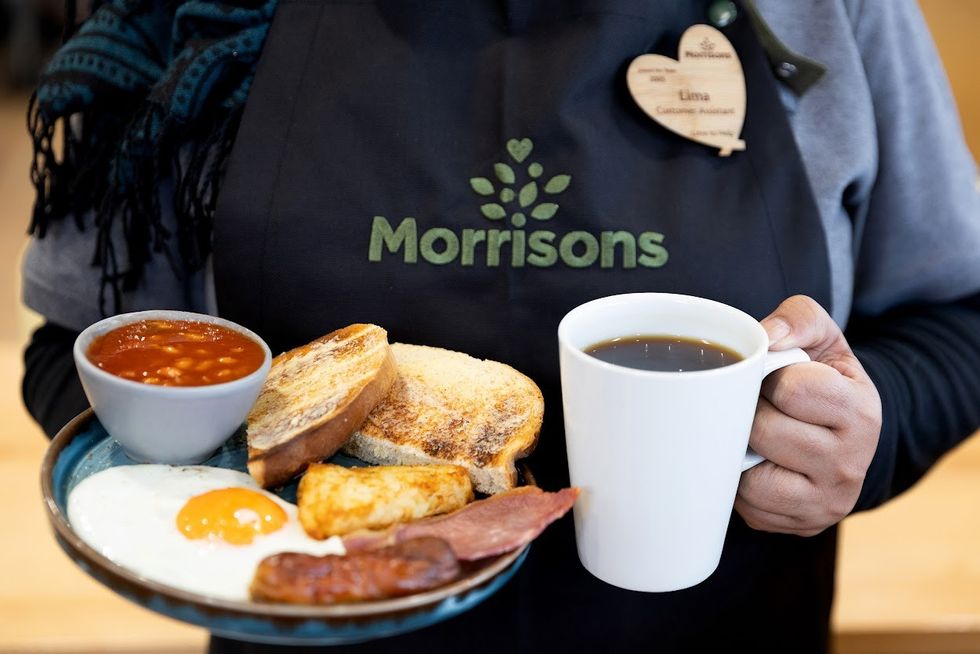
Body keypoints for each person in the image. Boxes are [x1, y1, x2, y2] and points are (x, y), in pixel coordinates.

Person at [21, 1, 980, 652]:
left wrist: (866, 424)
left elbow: (959, 319)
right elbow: (76, 343)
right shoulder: (208, 15)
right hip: (307, 622)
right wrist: (212, 496)